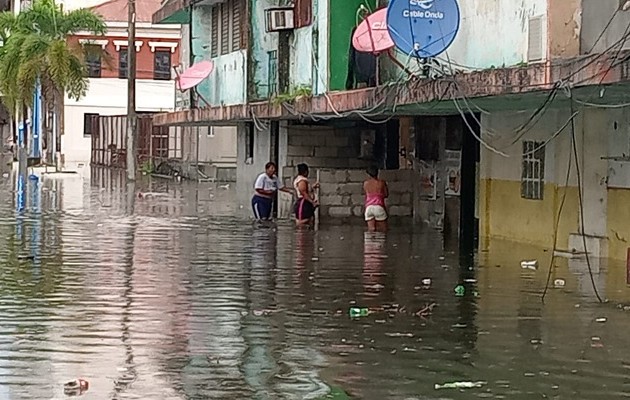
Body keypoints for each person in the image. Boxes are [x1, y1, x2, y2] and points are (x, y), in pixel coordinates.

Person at [363, 165, 389, 232]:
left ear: (368, 174)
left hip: (368, 208)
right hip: (379, 207)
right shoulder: (382, 183)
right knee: (383, 231)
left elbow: (366, 194)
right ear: (378, 172)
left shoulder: (366, 184)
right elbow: (386, 194)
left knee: (371, 231)